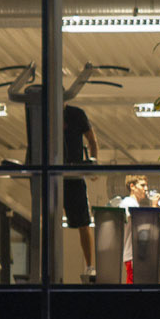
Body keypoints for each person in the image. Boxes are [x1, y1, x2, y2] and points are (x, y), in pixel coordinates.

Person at [62, 103, 100, 280]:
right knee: (49, 219)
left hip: (74, 174)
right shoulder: (44, 112)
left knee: (83, 222)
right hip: (55, 174)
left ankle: (90, 266)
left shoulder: (75, 114)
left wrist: (93, 163)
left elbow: (92, 139)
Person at [117, 174, 160, 282]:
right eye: (142, 185)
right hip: (132, 255)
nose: (146, 189)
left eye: (146, 186)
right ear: (132, 186)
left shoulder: (133, 204)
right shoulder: (129, 202)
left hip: (134, 254)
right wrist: (153, 209)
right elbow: (140, 227)